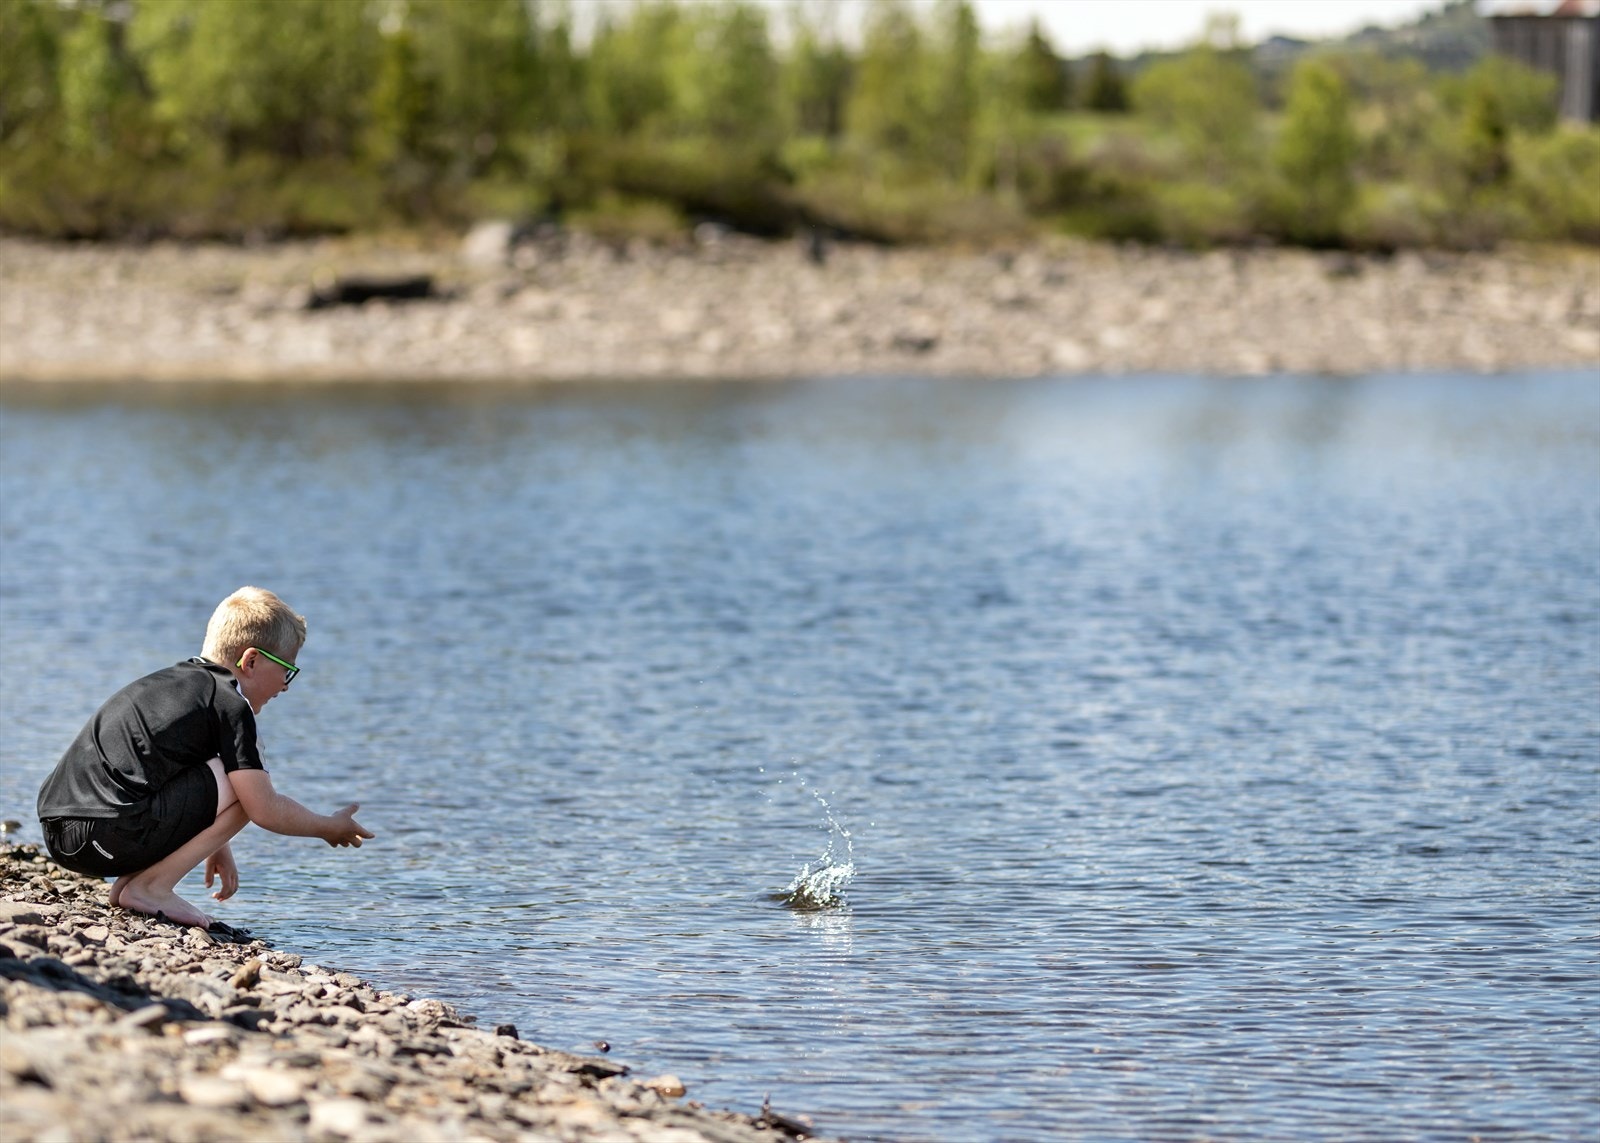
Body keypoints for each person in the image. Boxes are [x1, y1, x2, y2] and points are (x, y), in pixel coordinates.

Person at [35, 586, 373, 929]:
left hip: (61, 835)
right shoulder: (232, 705)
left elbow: (171, 770)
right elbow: (264, 809)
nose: (285, 686)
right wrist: (328, 827)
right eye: (287, 670)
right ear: (251, 661)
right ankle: (150, 888)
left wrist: (215, 844)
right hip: (107, 834)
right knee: (250, 788)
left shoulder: (176, 684)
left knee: (230, 776)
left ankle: (134, 885)